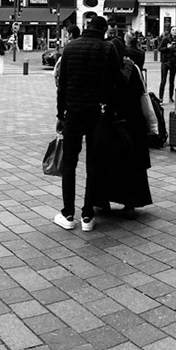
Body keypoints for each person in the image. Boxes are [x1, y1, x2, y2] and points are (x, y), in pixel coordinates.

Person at [51, 16, 122, 232]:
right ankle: (88, 215)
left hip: (73, 111)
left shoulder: (70, 48)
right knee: (93, 163)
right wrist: (110, 109)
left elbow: (61, 86)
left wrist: (60, 115)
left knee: (69, 163)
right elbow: (115, 83)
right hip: (96, 112)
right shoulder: (108, 49)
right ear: (103, 31)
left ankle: (68, 213)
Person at [157, 30, 176, 101]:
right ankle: (161, 97)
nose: (175, 31)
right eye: (173, 30)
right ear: (170, 32)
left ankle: (171, 97)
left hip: (173, 62)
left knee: (172, 80)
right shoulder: (165, 39)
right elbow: (160, 48)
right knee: (163, 80)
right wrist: (167, 48)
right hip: (165, 61)